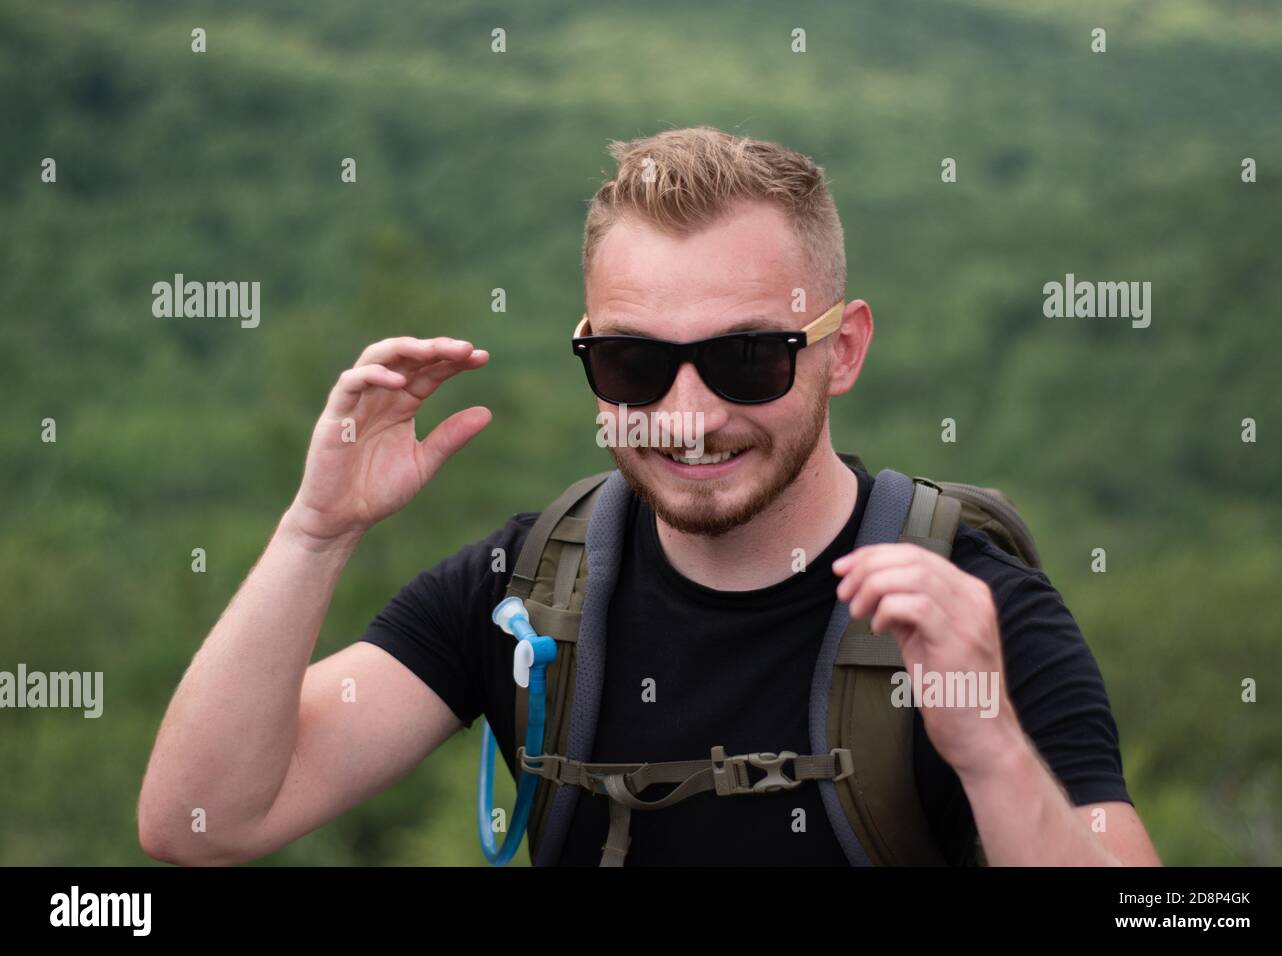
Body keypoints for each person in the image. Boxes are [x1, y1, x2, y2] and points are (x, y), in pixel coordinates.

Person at [138, 127, 1161, 866]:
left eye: (746, 358)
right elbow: (204, 821)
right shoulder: (529, 586)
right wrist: (317, 530)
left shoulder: (971, 608)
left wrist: (988, 749)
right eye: (632, 362)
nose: (684, 412)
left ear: (840, 350)